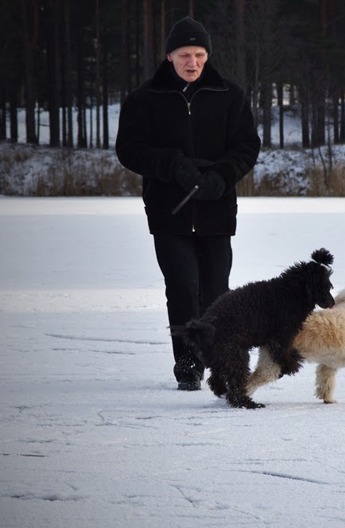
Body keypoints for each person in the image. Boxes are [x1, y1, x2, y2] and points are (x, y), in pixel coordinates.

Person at [116, 16, 261, 391]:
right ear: (169, 56)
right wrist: (172, 165)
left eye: (199, 54)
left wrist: (222, 176)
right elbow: (129, 150)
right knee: (181, 287)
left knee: (216, 290)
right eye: (184, 54)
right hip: (169, 211)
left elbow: (247, 146)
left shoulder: (229, 95)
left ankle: (218, 361)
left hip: (216, 209)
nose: (192, 62)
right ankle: (188, 363)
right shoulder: (144, 99)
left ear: (207, 56)